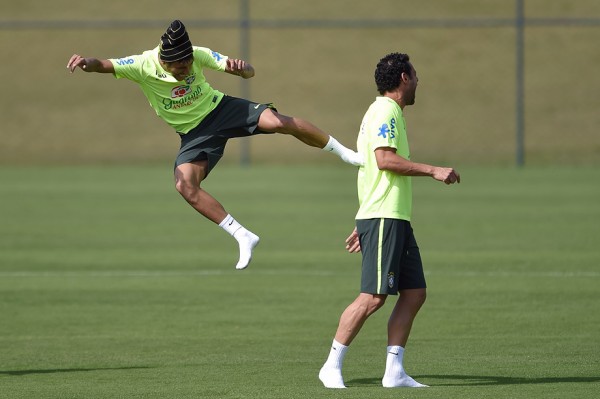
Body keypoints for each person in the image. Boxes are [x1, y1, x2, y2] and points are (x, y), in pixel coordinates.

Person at [67, 20, 363, 270]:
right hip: (194, 134)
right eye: (178, 68)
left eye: (187, 66)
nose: (185, 70)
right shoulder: (142, 65)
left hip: (221, 108)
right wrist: (85, 63)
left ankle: (343, 152)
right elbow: (104, 64)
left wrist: (242, 69)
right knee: (185, 186)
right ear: (164, 59)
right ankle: (242, 235)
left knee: (278, 122)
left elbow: (248, 72)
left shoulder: (197, 55)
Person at [318, 52, 460, 389]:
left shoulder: (387, 111)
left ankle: (394, 371)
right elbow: (384, 160)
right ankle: (331, 365)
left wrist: (366, 220)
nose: (418, 81)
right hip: (384, 215)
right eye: (415, 75)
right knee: (373, 297)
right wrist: (433, 170)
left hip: (390, 215)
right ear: (404, 79)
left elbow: (371, 165)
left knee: (414, 292)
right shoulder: (385, 110)